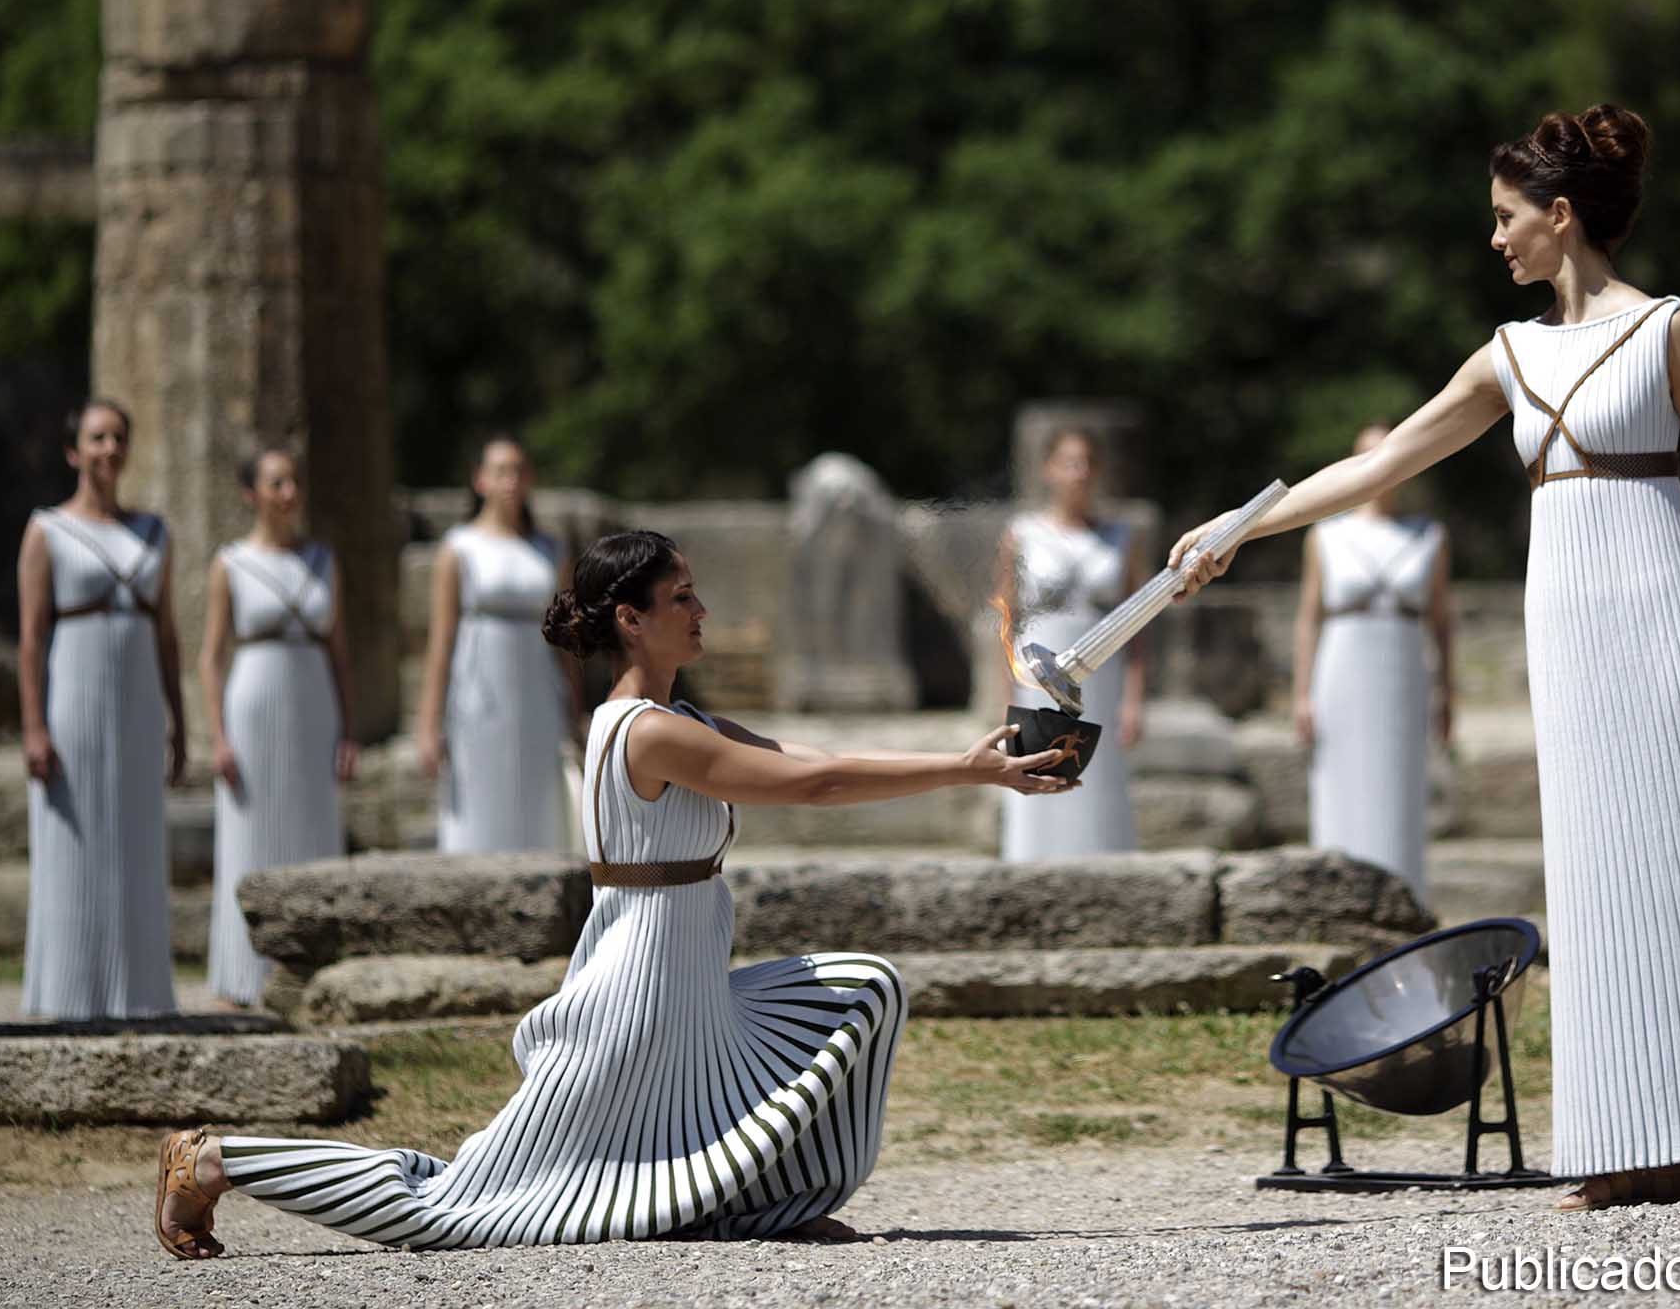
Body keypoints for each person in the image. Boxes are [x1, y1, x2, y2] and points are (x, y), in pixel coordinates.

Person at [1170, 105, 1680, 1209]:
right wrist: (1235, 527)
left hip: (1665, 611)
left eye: (1506, 219)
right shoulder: (1508, 356)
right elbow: (1381, 461)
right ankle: (1642, 1137)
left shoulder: (1667, 329)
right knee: (1600, 872)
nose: (1494, 240)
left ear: (1559, 217)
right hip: (1569, 626)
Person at [154, 530, 1073, 1259]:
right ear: (630, 619)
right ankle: (215, 1158)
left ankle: (762, 1205)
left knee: (865, 990)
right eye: (682, 598)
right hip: (633, 1006)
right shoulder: (644, 733)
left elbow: (812, 762)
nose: (702, 610)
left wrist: (976, 761)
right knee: (456, 1206)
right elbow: (812, 790)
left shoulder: (688, 720)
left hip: (692, 999)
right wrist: (965, 772)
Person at [15, 399, 183, 1020]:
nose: (108, 449)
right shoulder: (47, 530)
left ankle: (138, 993)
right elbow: (32, 639)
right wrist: (33, 726)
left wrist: (179, 718)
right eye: (96, 438)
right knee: (74, 839)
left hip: (138, 705)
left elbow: (167, 635)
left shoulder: (154, 534)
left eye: (117, 438)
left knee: (136, 838)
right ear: (73, 451)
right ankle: (69, 993)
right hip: (74, 702)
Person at [198, 449, 359, 1006]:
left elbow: (339, 653)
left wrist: (348, 730)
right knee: (249, 836)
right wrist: (217, 735)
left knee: (314, 831)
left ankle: (312, 973)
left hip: (314, 703)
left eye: (294, 481)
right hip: (253, 706)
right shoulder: (231, 563)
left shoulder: (321, 561)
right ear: (252, 494)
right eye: (276, 483)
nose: (289, 492)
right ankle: (242, 977)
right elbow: (211, 658)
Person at [1291, 422, 1452, 900]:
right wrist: (1301, 694)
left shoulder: (1429, 535)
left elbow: (1442, 620)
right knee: (1342, 784)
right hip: (1342, 665)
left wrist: (1448, 692)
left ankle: (1403, 897)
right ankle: (1338, 898)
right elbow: (1308, 617)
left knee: (1400, 788)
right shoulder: (1326, 535)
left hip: (1404, 666)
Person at [992, 428, 1147, 859]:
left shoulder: (1120, 536)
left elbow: (1137, 622)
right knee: (1034, 764)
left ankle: (1105, 868)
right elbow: (1006, 618)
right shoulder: (1021, 534)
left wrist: (1135, 698)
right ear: (1049, 470)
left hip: (1102, 669)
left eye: (1086, 463)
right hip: (1037, 667)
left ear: (1097, 472)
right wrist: (1005, 696)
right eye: (1068, 462)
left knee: (1100, 775)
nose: (1078, 473)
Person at [418, 436, 576, 852]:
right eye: (500, 471)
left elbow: (565, 638)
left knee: (540, 797)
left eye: (519, 471)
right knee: (479, 796)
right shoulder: (459, 548)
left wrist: (574, 709)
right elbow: (441, 639)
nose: (511, 480)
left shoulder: (549, 550)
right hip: (478, 692)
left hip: (538, 690)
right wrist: (429, 721)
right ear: (480, 480)